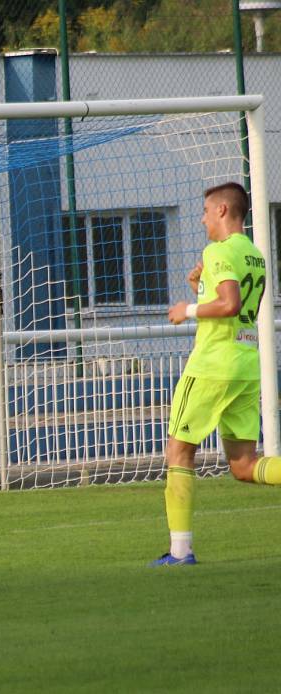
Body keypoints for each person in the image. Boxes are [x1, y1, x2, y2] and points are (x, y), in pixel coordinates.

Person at [152, 181, 281, 566]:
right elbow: (236, 307)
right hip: (245, 363)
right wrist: (199, 288)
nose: (203, 219)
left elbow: (229, 304)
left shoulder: (219, 250)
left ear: (223, 211)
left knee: (179, 449)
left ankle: (180, 552)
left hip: (212, 365)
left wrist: (186, 310)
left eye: (206, 211)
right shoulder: (254, 254)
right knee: (243, 465)